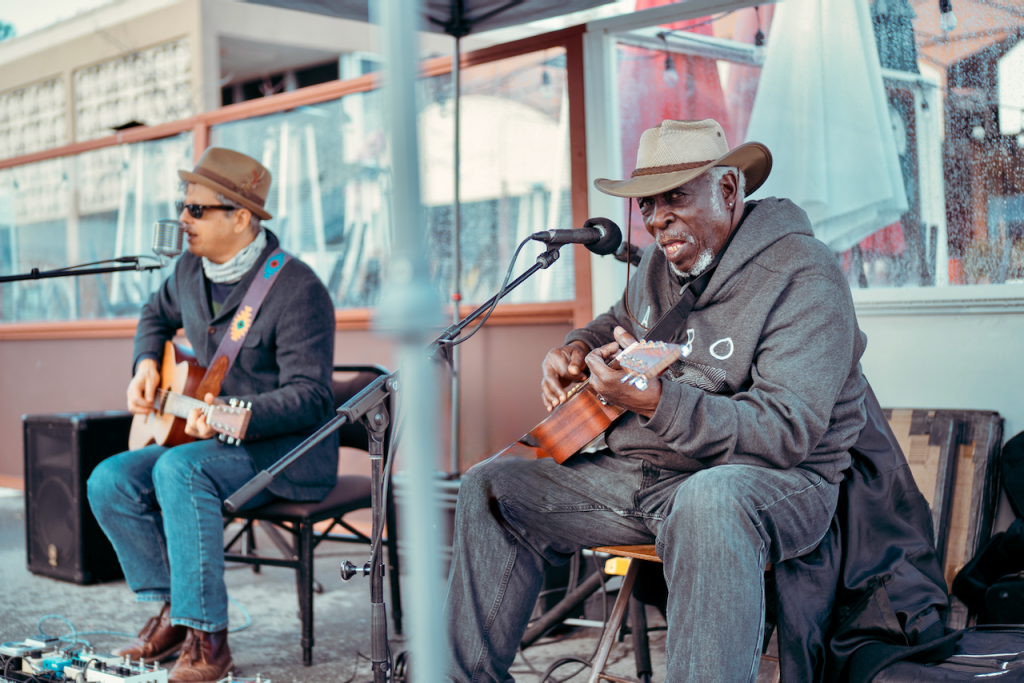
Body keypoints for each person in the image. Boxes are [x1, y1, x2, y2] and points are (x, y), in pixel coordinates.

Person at [443, 119, 871, 682]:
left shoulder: (804, 275)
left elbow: (784, 432)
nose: (656, 217)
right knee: (491, 484)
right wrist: (578, 347)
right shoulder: (659, 264)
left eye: (675, 197)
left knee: (709, 501)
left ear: (728, 191)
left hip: (774, 483)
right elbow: (622, 320)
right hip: (649, 473)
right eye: (647, 204)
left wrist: (655, 404)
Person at [88, 148, 338, 682]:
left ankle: (209, 642)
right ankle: (178, 613)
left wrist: (239, 413)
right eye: (183, 207)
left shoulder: (298, 289)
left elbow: (314, 397)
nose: (183, 220)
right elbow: (153, 316)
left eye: (196, 210)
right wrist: (143, 365)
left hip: (283, 451)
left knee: (178, 470)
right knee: (108, 479)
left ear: (241, 217)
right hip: (208, 441)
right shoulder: (186, 272)